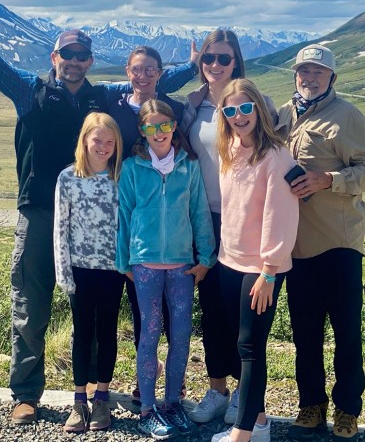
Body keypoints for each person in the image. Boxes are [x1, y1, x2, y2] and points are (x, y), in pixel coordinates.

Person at [0, 0, 198, 425]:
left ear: (90, 61)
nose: (76, 62)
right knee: (32, 298)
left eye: (84, 56)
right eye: (68, 55)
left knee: (97, 307)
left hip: (96, 219)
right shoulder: (29, 90)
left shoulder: (102, 95)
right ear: (54, 58)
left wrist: (194, 69)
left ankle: (96, 395)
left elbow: (146, 88)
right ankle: (25, 392)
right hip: (41, 210)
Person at [276, 44, 365, 441]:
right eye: (304, 71)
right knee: (305, 333)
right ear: (296, 76)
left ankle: (347, 409)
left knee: (346, 333)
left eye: (319, 72)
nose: (310, 77)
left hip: (339, 242)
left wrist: (329, 180)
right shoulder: (283, 115)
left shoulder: (348, 116)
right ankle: (311, 403)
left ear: (332, 78)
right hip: (296, 244)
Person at [181, 30, 278, 425]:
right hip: (203, 219)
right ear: (199, 63)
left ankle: (246, 392)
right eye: (208, 59)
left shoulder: (258, 103)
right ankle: (218, 388)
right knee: (213, 309)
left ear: (236, 61)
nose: (215, 66)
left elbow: (274, 153)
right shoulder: (193, 104)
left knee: (246, 314)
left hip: (247, 222)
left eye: (223, 58)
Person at [116, 100, 216, 440]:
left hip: (183, 266)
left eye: (164, 126)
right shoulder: (132, 168)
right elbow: (124, 217)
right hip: (143, 265)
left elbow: (200, 213)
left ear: (174, 126)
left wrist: (205, 259)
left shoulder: (189, 167)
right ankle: (147, 408)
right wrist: (123, 261)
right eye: (150, 127)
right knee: (150, 334)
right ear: (142, 131)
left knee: (182, 333)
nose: (158, 133)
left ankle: (172, 403)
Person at [211, 79, 299, 442]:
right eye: (230, 110)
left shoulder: (276, 157)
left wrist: (269, 272)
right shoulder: (228, 149)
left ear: (259, 110)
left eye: (245, 108)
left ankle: (242, 434)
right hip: (228, 261)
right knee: (237, 342)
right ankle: (259, 419)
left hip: (259, 269)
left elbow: (279, 217)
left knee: (250, 348)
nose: (238, 116)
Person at [109, 45, 188, 406]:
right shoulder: (114, 105)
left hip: (175, 239)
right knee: (146, 317)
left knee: (176, 319)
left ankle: (174, 386)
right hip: (139, 234)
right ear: (127, 70)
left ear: (160, 73)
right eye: (137, 70)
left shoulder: (175, 110)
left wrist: (193, 63)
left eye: (150, 70)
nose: (143, 76)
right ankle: (146, 385)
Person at [53, 113, 124, 433]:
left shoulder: (120, 177)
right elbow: (60, 229)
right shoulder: (68, 178)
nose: (104, 147)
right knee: (82, 334)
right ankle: (79, 401)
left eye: (110, 142)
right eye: (97, 140)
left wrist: (127, 264)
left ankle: (102, 400)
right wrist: (63, 274)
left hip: (112, 270)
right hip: (79, 270)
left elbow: (127, 224)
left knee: (107, 332)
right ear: (84, 140)